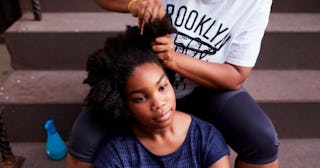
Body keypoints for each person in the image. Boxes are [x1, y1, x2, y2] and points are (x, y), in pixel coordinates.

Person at [68, 0, 280, 168]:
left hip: (203, 87)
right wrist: (135, 3)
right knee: (83, 139)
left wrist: (174, 59)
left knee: (261, 140)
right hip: (147, 84)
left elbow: (236, 74)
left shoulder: (254, 2)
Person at [69, 17, 230, 168]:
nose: (158, 104)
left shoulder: (206, 138)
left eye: (162, 88)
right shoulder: (116, 154)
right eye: (140, 98)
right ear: (125, 107)